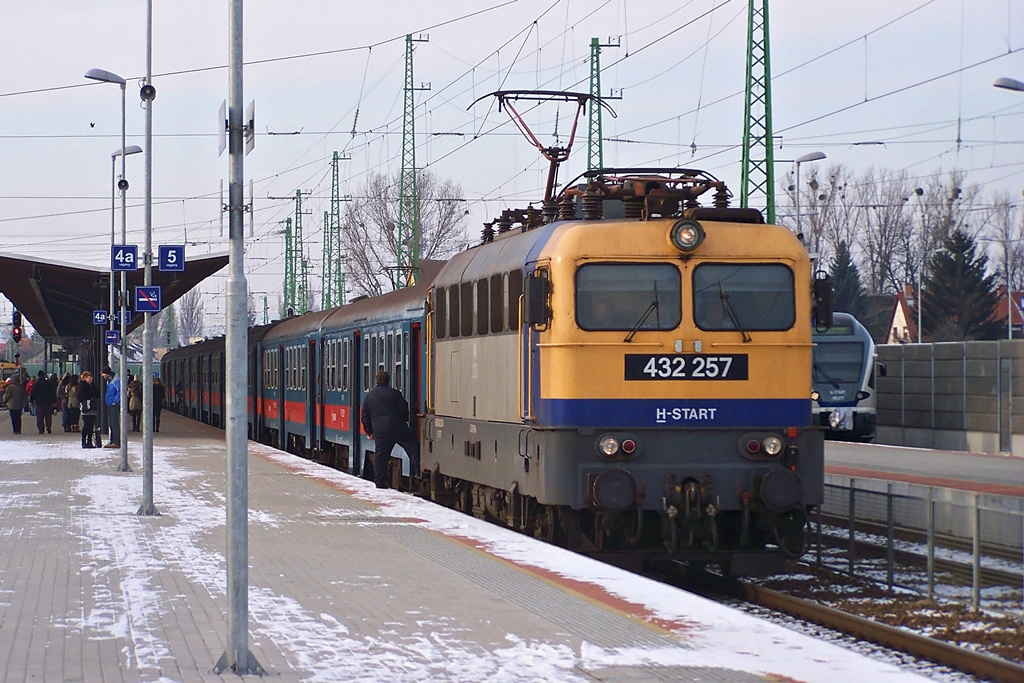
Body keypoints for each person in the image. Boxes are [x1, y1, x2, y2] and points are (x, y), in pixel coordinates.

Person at [360, 370, 421, 489]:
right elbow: (404, 409)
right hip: (397, 428)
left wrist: (369, 431)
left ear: (376, 381)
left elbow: (365, 416)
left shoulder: (370, 396)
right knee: (413, 446)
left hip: (380, 431)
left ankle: (379, 482)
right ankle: (418, 470)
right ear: (388, 381)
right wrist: (403, 420)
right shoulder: (395, 393)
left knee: (380, 456)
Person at [77, 371, 100, 448]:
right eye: (89, 377)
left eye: (91, 377)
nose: (91, 379)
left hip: (93, 407)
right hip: (86, 408)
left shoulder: (92, 386)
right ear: (85, 378)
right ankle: (84, 441)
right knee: (86, 425)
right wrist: (85, 400)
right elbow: (79, 396)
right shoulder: (82, 386)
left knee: (91, 425)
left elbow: (98, 394)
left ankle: (89, 441)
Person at [30, 370, 57, 434]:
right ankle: (48, 427)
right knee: (48, 416)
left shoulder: (36, 384)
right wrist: (54, 401)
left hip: (39, 403)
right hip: (48, 402)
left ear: (38, 375)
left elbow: (32, 393)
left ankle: (41, 430)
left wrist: (31, 401)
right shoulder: (48, 383)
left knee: (40, 417)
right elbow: (53, 392)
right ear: (44, 375)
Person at [101, 366, 121, 448]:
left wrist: (115, 401)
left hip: (114, 405)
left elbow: (120, 391)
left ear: (107, 374)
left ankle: (116, 441)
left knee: (114, 422)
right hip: (110, 404)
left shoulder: (115, 381)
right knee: (111, 423)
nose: (102, 375)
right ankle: (112, 440)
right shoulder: (110, 381)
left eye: (103, 374)